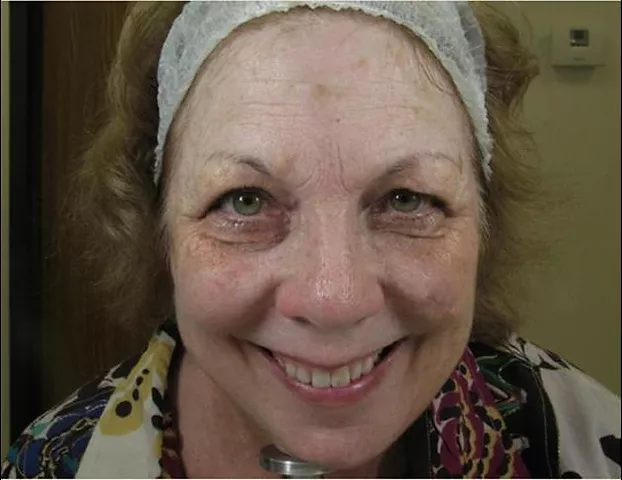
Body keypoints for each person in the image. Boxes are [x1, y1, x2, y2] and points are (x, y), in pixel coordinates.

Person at [2, 1, 620, 478]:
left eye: (407, 200)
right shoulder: (51, 465)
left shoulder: (590, 446)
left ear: (484, 225)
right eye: (245, 201)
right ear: (158, 231)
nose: (334, 300)